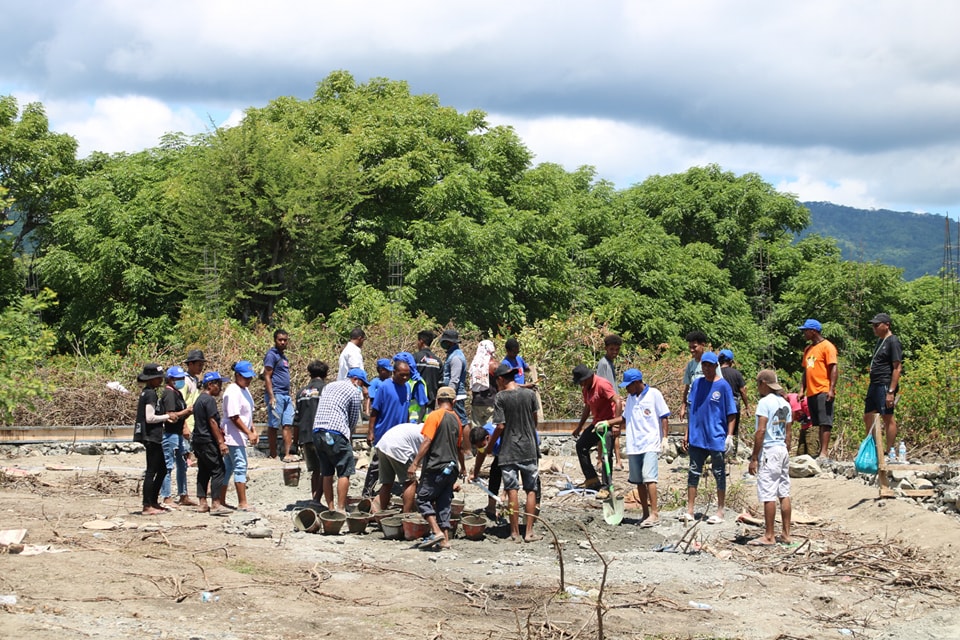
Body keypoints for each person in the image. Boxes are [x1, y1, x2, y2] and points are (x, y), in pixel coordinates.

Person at [474, 364, 541, 542]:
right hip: (529, 448)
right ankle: (529, 532)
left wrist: (489, 447)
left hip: (508, 450)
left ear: (501, 379)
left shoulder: (501, 398)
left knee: (512, 490)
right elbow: (535, 422)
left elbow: (500, 425)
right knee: (531, 490)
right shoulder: (530, 395)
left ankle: (514, 533)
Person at [597, 368, 670, 527]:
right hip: (634, 445)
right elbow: (624, 418)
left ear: (637, 382)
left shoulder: (654, 394)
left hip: (650, 443)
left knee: (649, 477)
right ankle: (645, 514)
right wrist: (607, 422)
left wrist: (664, 438)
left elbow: (664, 416)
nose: (627, 389)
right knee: (638, 480)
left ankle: (655, 513)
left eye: (628, 385)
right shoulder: (630, 399)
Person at [408, 387, 469, 549]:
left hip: (436, 465)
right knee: (443, 502)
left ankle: (436, 531)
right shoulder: (457, 419)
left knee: (422, 498)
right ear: (454, 402)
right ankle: (445, 540)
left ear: (437, 400)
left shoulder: (434, 415)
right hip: (451, 467)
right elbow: (460, 447)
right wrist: (463, 468)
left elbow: (427, 441)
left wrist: (415, 463)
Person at [681, 351, 736, 524]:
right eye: (704, 365)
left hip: (716, 436)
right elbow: (692, 408)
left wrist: (729, 435)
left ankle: (720, 511)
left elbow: (731, 413)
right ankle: (690, 509)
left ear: (715, 366)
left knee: (719, 473)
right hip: (697, 436)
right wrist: (687, 433)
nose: (706, 368)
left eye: (709, 365)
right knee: (693, 472)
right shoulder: (697, 384)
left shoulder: (723, 386)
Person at [748, 369, 793, 546]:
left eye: (758, 383)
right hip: (782, 448)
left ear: (763, 383)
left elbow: (761, 430)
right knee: (784, 492)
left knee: (768, 493)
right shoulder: (785, 404)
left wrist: (754, 457)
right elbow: (789, 433)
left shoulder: (764, 403)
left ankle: (769, 535)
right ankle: (786, 534)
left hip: (769, 449)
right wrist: (785, 449)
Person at [313, 368, 368, 511]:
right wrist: (348, 437)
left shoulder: (329, 386)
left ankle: (330, 509)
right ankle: (341, 509)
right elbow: (353, 419)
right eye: (361, 384)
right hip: (336, 432)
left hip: (318, 431)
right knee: (344, 471)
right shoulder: (354, 391)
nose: (361, 387)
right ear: (356, 380)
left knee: (326, 471)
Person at [362, 357, 413, 498]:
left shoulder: (407, 387)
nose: (404, 377)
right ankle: (367, 492)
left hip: (400, 434)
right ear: (394, 372)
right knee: (377, 464)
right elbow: (375, 411)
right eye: (401, 374)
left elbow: (406, 409)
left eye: (407, 375)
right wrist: (370, 432)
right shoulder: (385, 387)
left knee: (401, 461)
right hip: (384, 431)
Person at [134, 363, 180, 515]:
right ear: (151, 379)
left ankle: (153, 501)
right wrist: (168, 416)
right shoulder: (151, 394)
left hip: (152, 436)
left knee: (161, 469)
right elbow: (150, 417)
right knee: (152, 470)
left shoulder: (147, 392)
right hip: (151, 436)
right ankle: (147, 505)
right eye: (158, 377)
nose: (160, 380)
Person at [570, 364, 619, 492]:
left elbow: (618, 401)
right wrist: (579, 427)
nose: (581, 385)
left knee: (606, 455)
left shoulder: (602, 385)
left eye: (582, 382)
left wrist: (616, 424)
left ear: (589, 378)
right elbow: (587, 408)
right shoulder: (586, 388)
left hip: (608, 423)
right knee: (581, 446)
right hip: (596, 423)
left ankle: (607, 486)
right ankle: (592, 479)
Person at [798, 319, 838, 462]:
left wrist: (831, 389)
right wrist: (802, 389)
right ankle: (819, 452)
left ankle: (824, 453)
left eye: (805, 331)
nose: (803, 334)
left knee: (825, 422)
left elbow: (833, 368)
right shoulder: (808, 349)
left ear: (813, 331)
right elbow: (806, 371)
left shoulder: (827, 347)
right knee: (817, 423)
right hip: (812, 391)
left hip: (823, 389)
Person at [221, 360, 258, 511]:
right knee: (240, 466)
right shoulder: (232, 391)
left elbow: (248, 414)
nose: (248, 380)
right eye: (245, 377)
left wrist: (253, 430)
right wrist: (248, 432)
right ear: (237, 375)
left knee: (228, 467)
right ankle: (242, 502)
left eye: (250, 377)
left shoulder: (245, 390)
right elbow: (234, 416)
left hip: (241, 435)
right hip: (233, 435)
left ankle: (220, 499)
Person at [191, 371, 230, 515]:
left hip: (198, 440)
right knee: (218, 470)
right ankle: (216, 503)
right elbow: (212, 422)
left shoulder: (199, 400)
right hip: (208, 440)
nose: (220, 388)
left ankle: (202, 503)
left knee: (203, 471)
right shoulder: (209, 401)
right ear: (210, 385)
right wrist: (221, 442)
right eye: (218, 384)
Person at [863, 313, 903, 451]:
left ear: (887, 325)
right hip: (874, 383)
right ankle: (873, 448)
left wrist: (891, 391)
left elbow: (897, 367)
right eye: (873, 326)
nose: (874, 328)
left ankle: (889, 450)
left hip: (885, 383)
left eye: (877, 325)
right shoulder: (880, 341)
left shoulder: (893, 341)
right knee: (868, 415)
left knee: (887, 416)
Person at [293, 360, 329, 503]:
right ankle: (318, 499)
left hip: (305, 435)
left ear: (309, 374)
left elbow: (296, 419)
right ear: (326, 374)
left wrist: (294, 443)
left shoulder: (301, 393)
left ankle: (315, 498)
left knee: (315, 470)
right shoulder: (327, 390)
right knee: (325, 469)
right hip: (322, 434)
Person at [159, 366, 195, 508]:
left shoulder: (177, 394)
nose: (180, 381)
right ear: (170, 379)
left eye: (181, 378)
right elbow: (170, 416)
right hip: (170, 433)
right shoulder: (169, 394)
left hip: (178, 433)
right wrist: (186, 411)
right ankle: (166, 496)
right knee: (168, 465)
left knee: (182, 464)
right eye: (177, 379)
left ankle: (183, 495)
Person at [375, 422, 424, 513]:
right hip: (398, 446)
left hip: (383, 444)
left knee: (387, 483)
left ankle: (382, 513)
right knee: (410, 482)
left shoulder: (419, 428)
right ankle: (406, 515)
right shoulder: (431, 434)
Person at [264, 329, 295, 461]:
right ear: (275, 340)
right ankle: (273, 454)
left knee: (287, 424)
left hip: (286, 395)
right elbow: (267, 376)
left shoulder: (284, 357)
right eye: (280, 340)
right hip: (276, 394)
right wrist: (271, 396)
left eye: (285, 340)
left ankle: (287, 454)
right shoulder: (272, 355)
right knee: (274, 424)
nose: (282, 342)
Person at [596, 334, 624, 470]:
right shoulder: (603, 363)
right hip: (607, 403)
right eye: (612, 349)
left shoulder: (610, 363)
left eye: (617, 349)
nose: (614, 352)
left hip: (614, 401)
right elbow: (602, 385)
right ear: (606, 348)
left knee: (615, 431)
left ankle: (618, 461)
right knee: (605, 432)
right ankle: (600, 460)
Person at [718, 348, 750, 461]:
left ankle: (719, 454)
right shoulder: (736, 373)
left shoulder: (716, 373)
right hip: (734, 403)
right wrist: (747, 406)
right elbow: (742, 391)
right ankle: (732, 456)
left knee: (720, 428)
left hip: (719, 403)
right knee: (734, 429)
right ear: (731, 361)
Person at [182, 349, 206, 468]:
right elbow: (179, 403)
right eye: (198, 365)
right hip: (186, 422)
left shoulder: (194, 380)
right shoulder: (184, 381)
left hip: (193, 422)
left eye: (202, 365)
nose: (201, 368)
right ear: (190, 364)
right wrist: (184, 426)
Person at [439, 328, 469, 427]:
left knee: (461, 421)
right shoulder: (452, 355)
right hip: (454, 394)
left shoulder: (456, 357)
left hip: (456, 395)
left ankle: (466, 442)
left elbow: (454, 379)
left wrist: (449, 396)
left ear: (450, 342)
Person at [679, 331, 708, 421]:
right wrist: (683, 406)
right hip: (692, 404)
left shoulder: (710, 364)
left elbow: (718, 383)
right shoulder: (690, 365)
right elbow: (687, 386)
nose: (692, 350)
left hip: (706, 403)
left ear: (702, 345)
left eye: (694, 347)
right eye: (690, 347)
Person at [469, 340, 498, 428]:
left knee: (477, 432)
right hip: (490, 402)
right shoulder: (493, 365)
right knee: (490, 431)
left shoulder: (474, 364)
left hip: (476, 402)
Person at [413, 330, 442, 411]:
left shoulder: (414, 358)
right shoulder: (438, 361)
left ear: (421, 341)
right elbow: (440, 383)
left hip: (416, 402)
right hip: (431, 403)